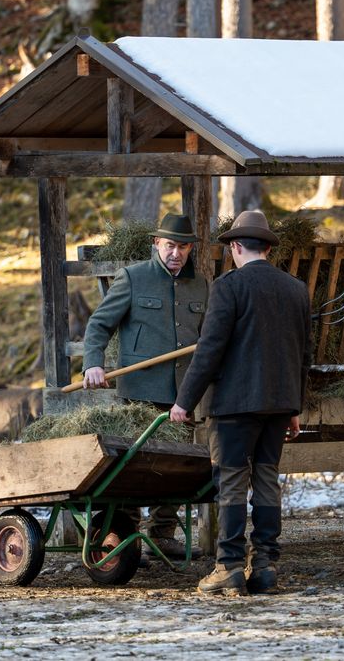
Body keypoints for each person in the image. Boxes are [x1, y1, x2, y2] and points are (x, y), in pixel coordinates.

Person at [170, 209, 311, 596]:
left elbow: (210, 350)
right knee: (266, 480)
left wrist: (184, 401)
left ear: (235, 247)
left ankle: (229, 566)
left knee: (231, 483)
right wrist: (295, 407)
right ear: (267, 247)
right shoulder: (296, 288)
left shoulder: (228, 287)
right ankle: (264, 565)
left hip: (234, 404)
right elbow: (304, 355)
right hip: (280, 402)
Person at [81, 213, 208, 559]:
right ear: (156, 244)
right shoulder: (133, 278)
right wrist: (93, 362)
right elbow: (99, 325)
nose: (176, 253)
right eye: (170, 245)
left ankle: (163, 533)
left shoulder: (201, 285)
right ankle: (122, 535)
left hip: (183, 394)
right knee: (130, 469)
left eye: (183, 247)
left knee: (177, 468)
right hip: (139, 392)